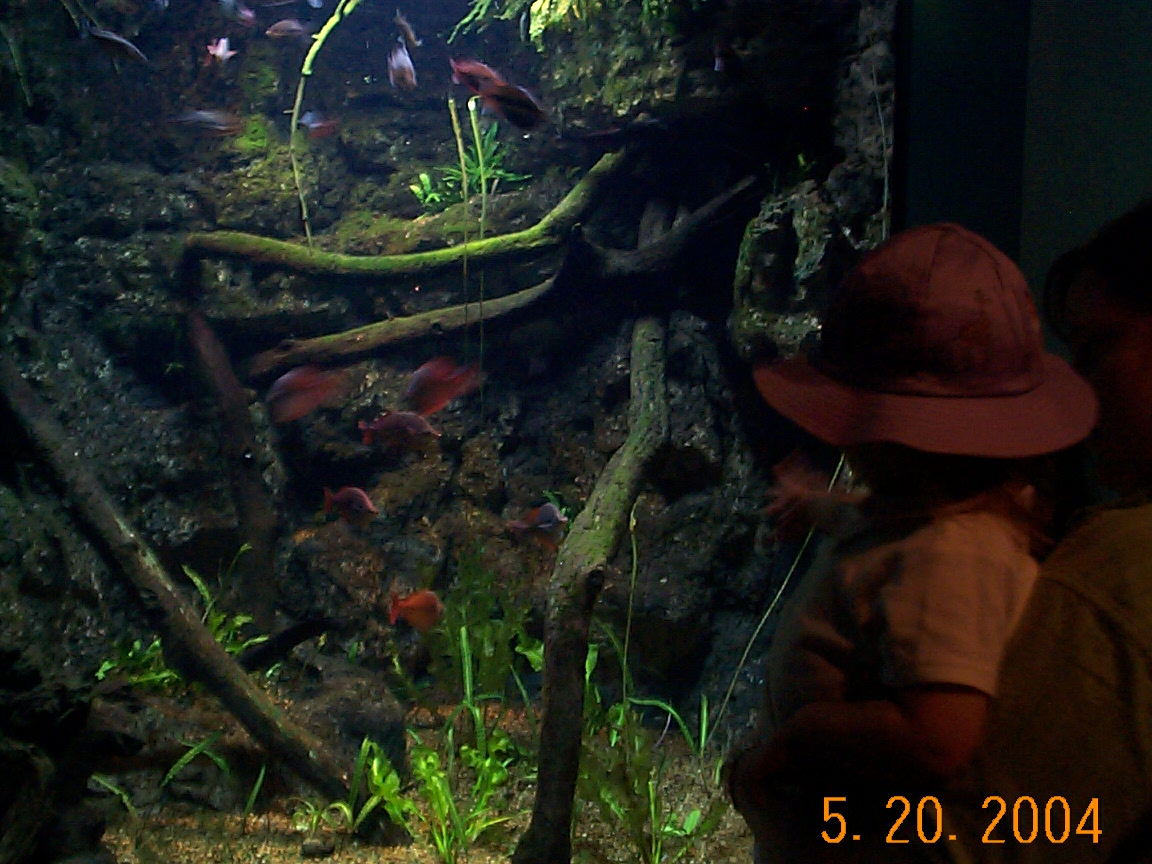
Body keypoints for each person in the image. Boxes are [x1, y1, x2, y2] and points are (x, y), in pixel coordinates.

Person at [723, 222, 1099, 863]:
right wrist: (818, 505)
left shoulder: (953, 555)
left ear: (883, 437)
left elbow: (938, 737)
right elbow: (883, 534)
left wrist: (799, 737)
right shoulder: (936, 519)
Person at [937, 200, 1152, 864]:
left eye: (1098, 349)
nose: (1078, 392)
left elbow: (969, 843)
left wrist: (787, 793)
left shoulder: (1118, 576)